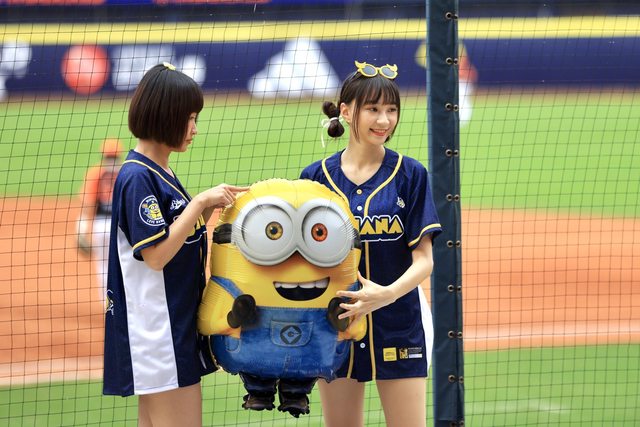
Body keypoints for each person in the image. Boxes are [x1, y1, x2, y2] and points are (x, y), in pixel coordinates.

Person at [102, 62, 249, 427]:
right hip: (159, 333)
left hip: (169, 329)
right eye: (190, 118)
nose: (195, 129)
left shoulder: (158, 170)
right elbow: (156, 256)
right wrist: (199, 203)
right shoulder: (138, 176)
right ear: (165, 115)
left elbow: (176, 235)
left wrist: (207, 208)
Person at [300, 60, 442, 427]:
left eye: (391, 109)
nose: (384, 120)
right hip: (335, 325)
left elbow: (425, 260)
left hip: (399, 322)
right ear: (347, 112)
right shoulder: (315, 179)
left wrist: (386, 294)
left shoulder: (410, 174)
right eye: (373, 109)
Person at [76, 138, 124, 300]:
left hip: (100, 226)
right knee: (122, 263)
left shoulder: (96, 172)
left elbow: (89, 203)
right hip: (120, 227)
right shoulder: (125, 171)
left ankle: (107, 303)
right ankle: (123, 301)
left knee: (103, 266)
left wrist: (82, 230)